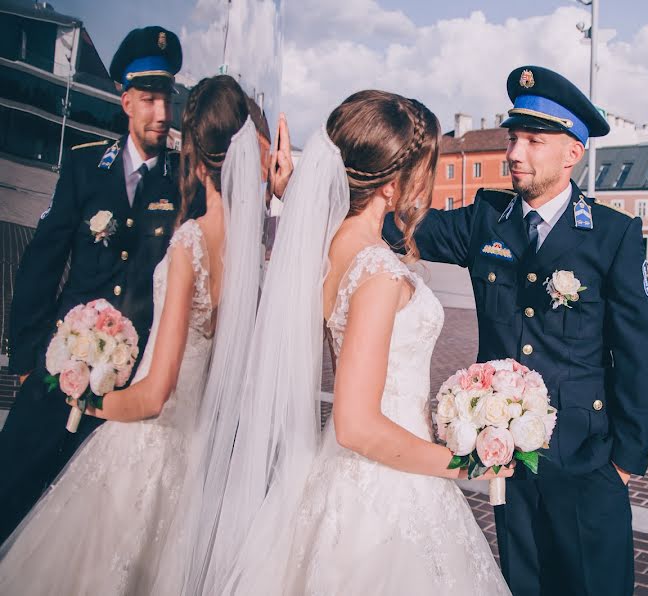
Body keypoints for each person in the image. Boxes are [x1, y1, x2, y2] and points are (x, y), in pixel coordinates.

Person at [188, 90, 512, 596]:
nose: (426, 183)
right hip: (385, 488)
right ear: (389, 185)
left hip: (345, 474)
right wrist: (466, 462)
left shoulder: (326, 247)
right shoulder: (378, 270)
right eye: (424, 168)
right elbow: (357, 425)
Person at [383, 66, 648, 595]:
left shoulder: (612, 236)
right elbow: (393, 225)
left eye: (534, 141)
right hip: (509, 463)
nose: (515, 152)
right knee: (524, 584)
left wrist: (626, 463)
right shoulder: (484, 220)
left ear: (572, 153)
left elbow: (647, 353)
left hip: (588, 462)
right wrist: (317, 189)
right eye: (514, 137)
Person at [0, 75, 264, 596]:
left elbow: (154, 393)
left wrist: (83, 394)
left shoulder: (190, 239)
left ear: (193, 145)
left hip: (145, 427)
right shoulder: (255, 250)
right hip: (196, 446)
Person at [0, 26, 183, 542]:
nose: (162, 114)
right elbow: (41, 263)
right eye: (149, 100)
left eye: (166, 99)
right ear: (126, 101)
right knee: (12, 489)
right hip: (60, 372)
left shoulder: (182, 182)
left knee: (83, 531)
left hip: (128, 394)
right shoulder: (85, 165)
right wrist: (30, 361)